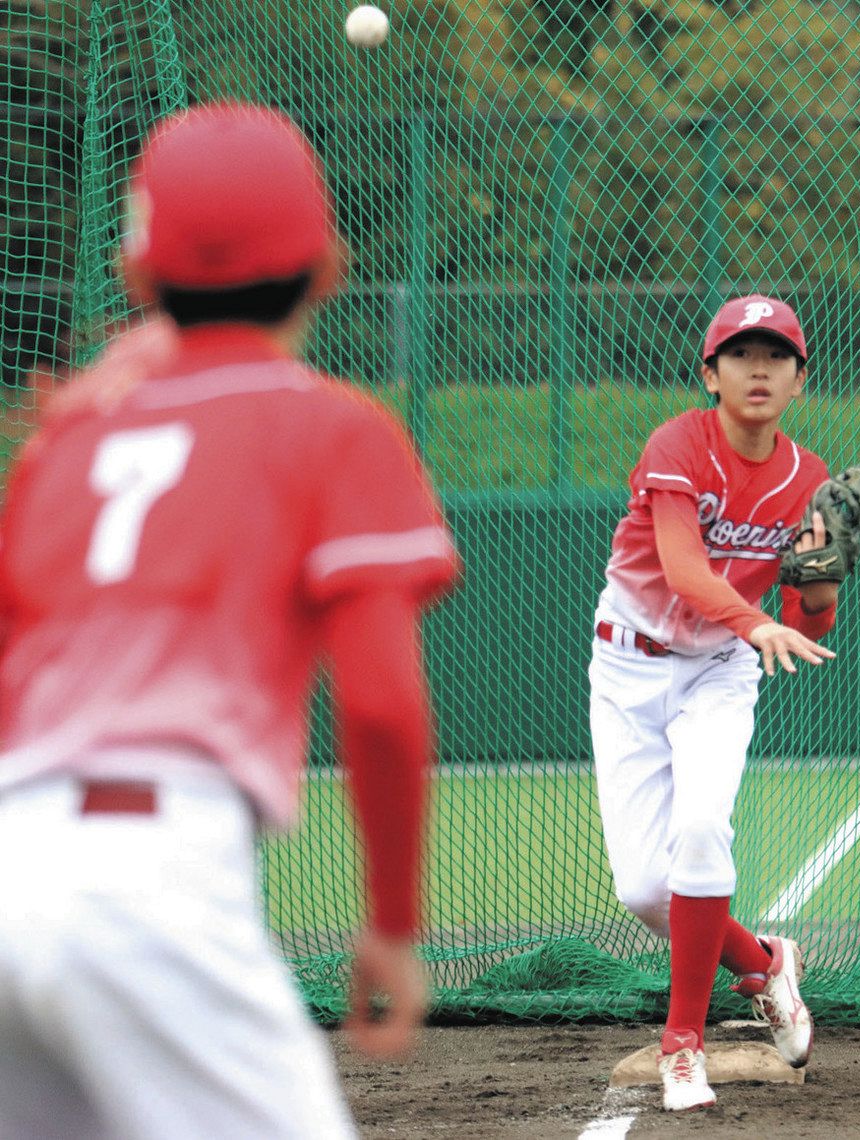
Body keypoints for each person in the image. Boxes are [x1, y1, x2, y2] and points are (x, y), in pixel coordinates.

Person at [0, 101, 459, 1139]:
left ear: (134, 272)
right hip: (150, 886)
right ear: (332, 264)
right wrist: (391, 920)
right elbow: (381, 704)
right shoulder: (336, 429)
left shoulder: (61, 443)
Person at [589, 294, 839, 1112]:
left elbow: (805, 620)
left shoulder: (808, 480)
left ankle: (683, 1044)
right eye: (741, 354)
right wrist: (762, 618)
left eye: (777, 355)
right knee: (643, 891)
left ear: (800, 379)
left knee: (701, 830)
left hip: (719, 672)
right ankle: (765, 965)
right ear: (711, 374)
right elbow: (684, 568)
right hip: (628, 670)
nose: (759, 367)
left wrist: (820, 586)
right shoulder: (678, 445)